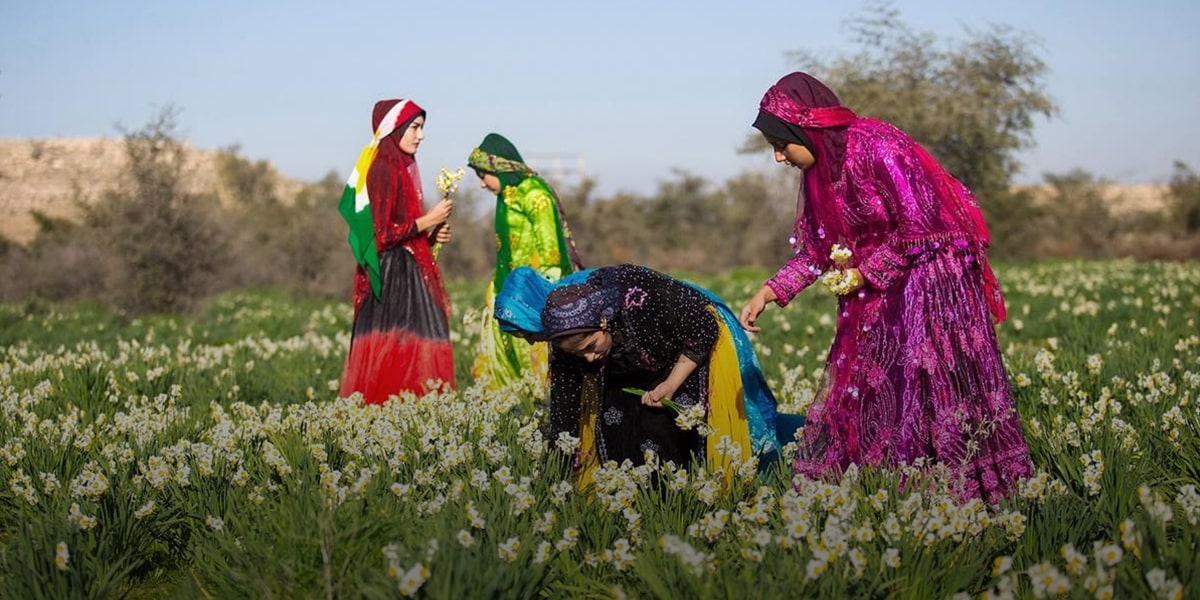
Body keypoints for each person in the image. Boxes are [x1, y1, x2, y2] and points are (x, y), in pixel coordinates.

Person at [738, 72, 1033, 503]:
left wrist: (864, 273)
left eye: (782, 145)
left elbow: (923, 225)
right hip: (876, 285)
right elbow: (820, 248)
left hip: (930, 280)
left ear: (808, 130)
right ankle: (888, 488)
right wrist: (769, 292)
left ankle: (955, 487)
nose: (779, 158)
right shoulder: (820, 175)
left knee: (922, 381)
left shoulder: (876, 144)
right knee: (867, 382)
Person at [496, 264, 800, 485]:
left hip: (687, 336)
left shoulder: (630, 297)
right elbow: (565, 403)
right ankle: (647, 490)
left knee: (691, 425)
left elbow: (700, 328)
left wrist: (670, 382)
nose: (531, 341)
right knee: (621, 422)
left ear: (602, 323)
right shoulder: (564, 332)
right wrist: (558, 470)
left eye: (527, 331)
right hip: (634, 353)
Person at [338, 98, 455, 404]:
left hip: (405, 272)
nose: (421, 135)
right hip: (390, 279)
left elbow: (401, 232)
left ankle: (408, 424)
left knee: (412, 350)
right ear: (395, 128)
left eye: (422, 128)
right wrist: (428, 220)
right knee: (397, 351)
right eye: (414, 127)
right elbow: (379, 236)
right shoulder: (381, 168)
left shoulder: (400, 165)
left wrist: (430, 235)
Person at [467, 133, 584, 389]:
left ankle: (539, 406)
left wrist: (544, 297)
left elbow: (551, 250)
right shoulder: (507, 194)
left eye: (482, 175)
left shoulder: (534, 193)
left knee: (536, 356)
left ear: (498, 168)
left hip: (533, 294)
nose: (481, 184)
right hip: (508, 287)